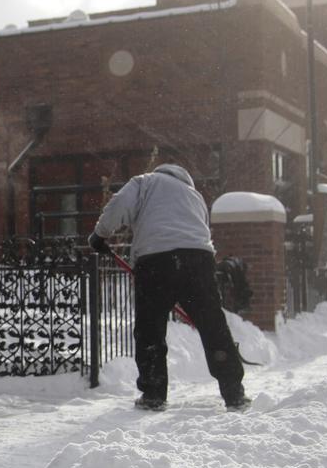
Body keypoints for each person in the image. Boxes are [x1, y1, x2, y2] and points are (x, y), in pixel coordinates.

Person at [87, 163, 250, 412]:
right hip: (199, 260)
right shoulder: (194, 196)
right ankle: (234, 392)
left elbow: (119, 204)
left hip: (156, 261)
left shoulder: (145, 182)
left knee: (150, 328)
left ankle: (153, 393)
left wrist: (100, 234)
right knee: (212, 325)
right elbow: (203, 231)